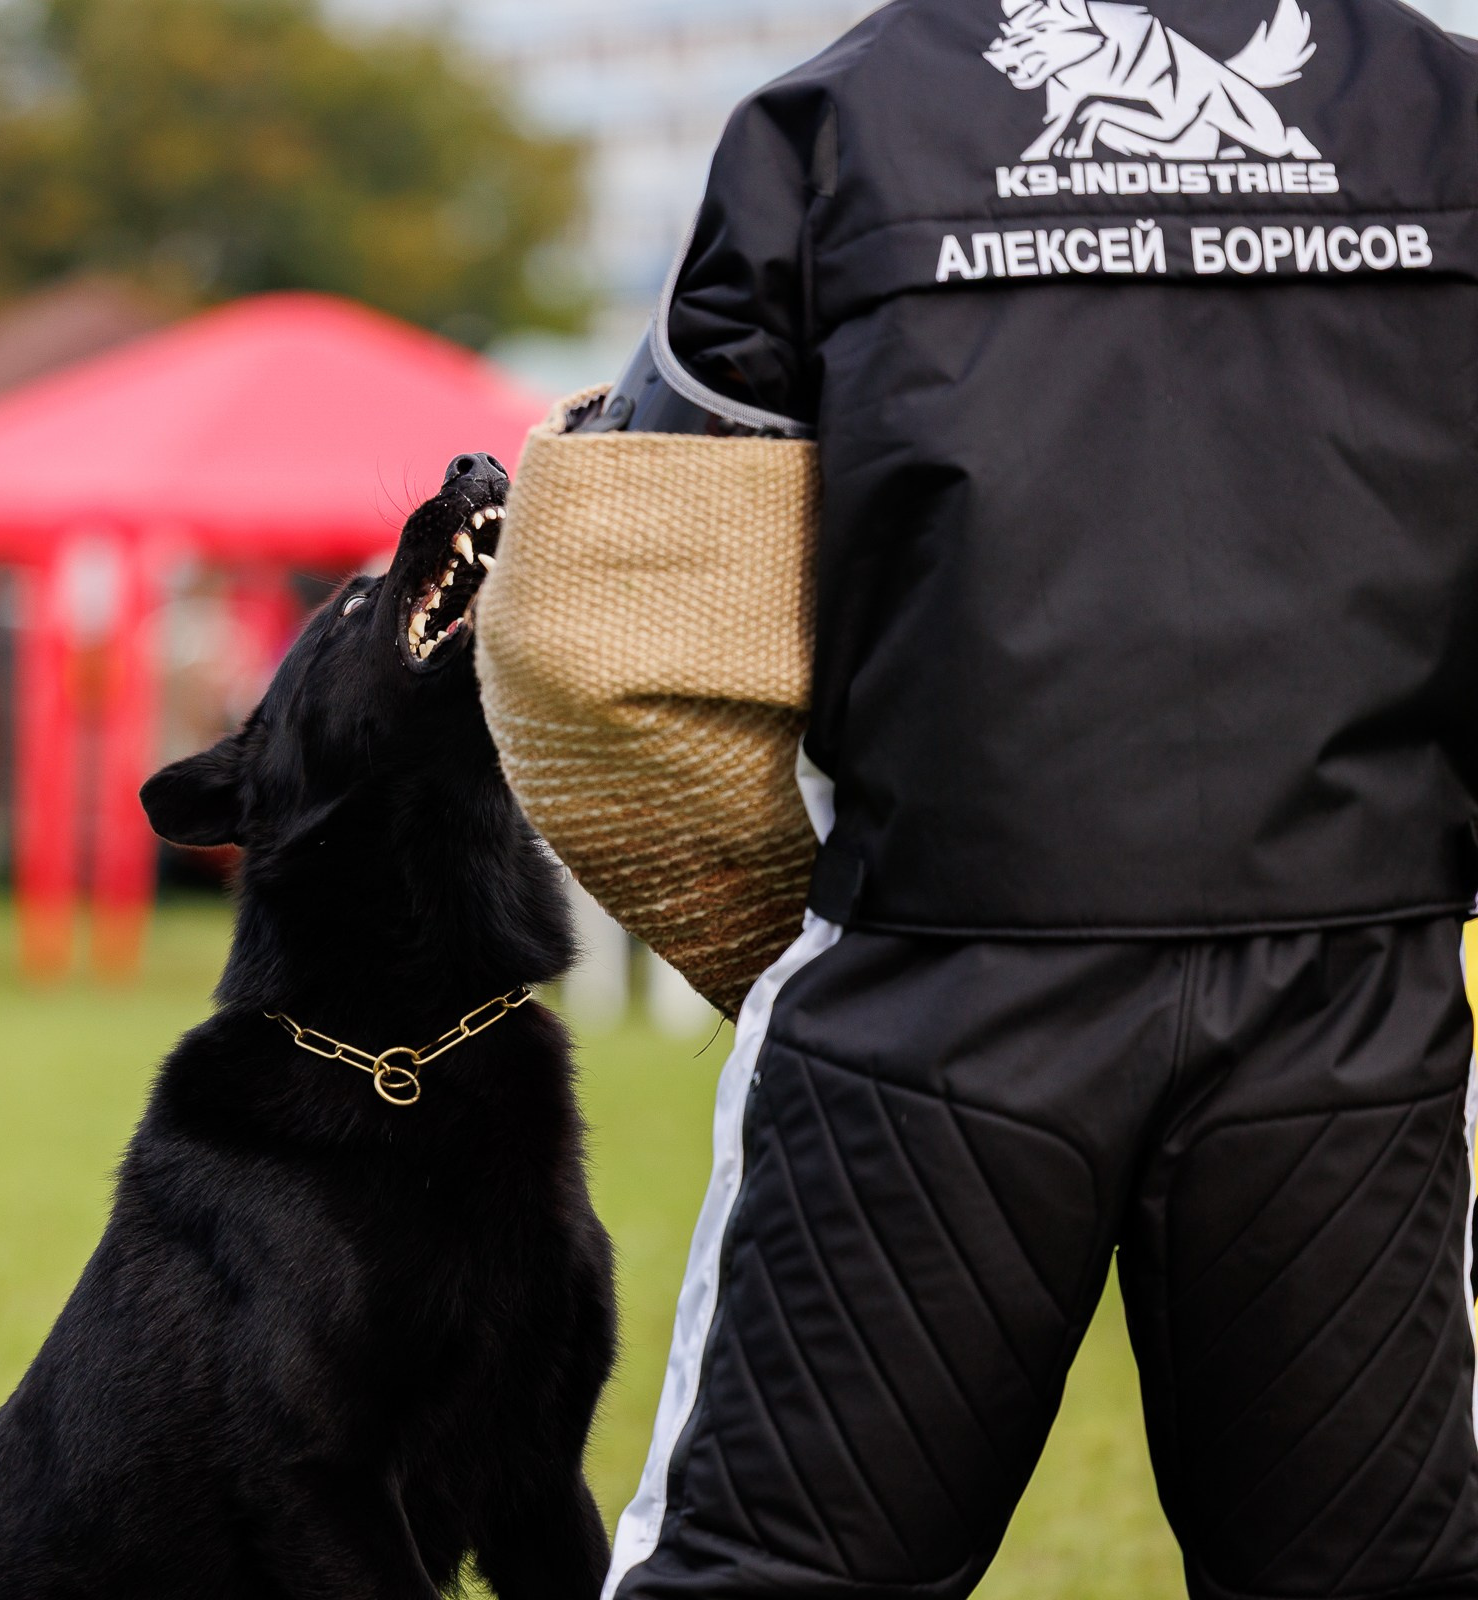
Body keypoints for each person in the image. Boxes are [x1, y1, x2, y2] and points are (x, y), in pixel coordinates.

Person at [589, 0, 1478, 1595]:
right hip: (1358, 1000)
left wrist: (764, 925)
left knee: (774, 1572)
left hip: (938, 995)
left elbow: (628, 606)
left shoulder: (836, 121)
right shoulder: (1452, 113)